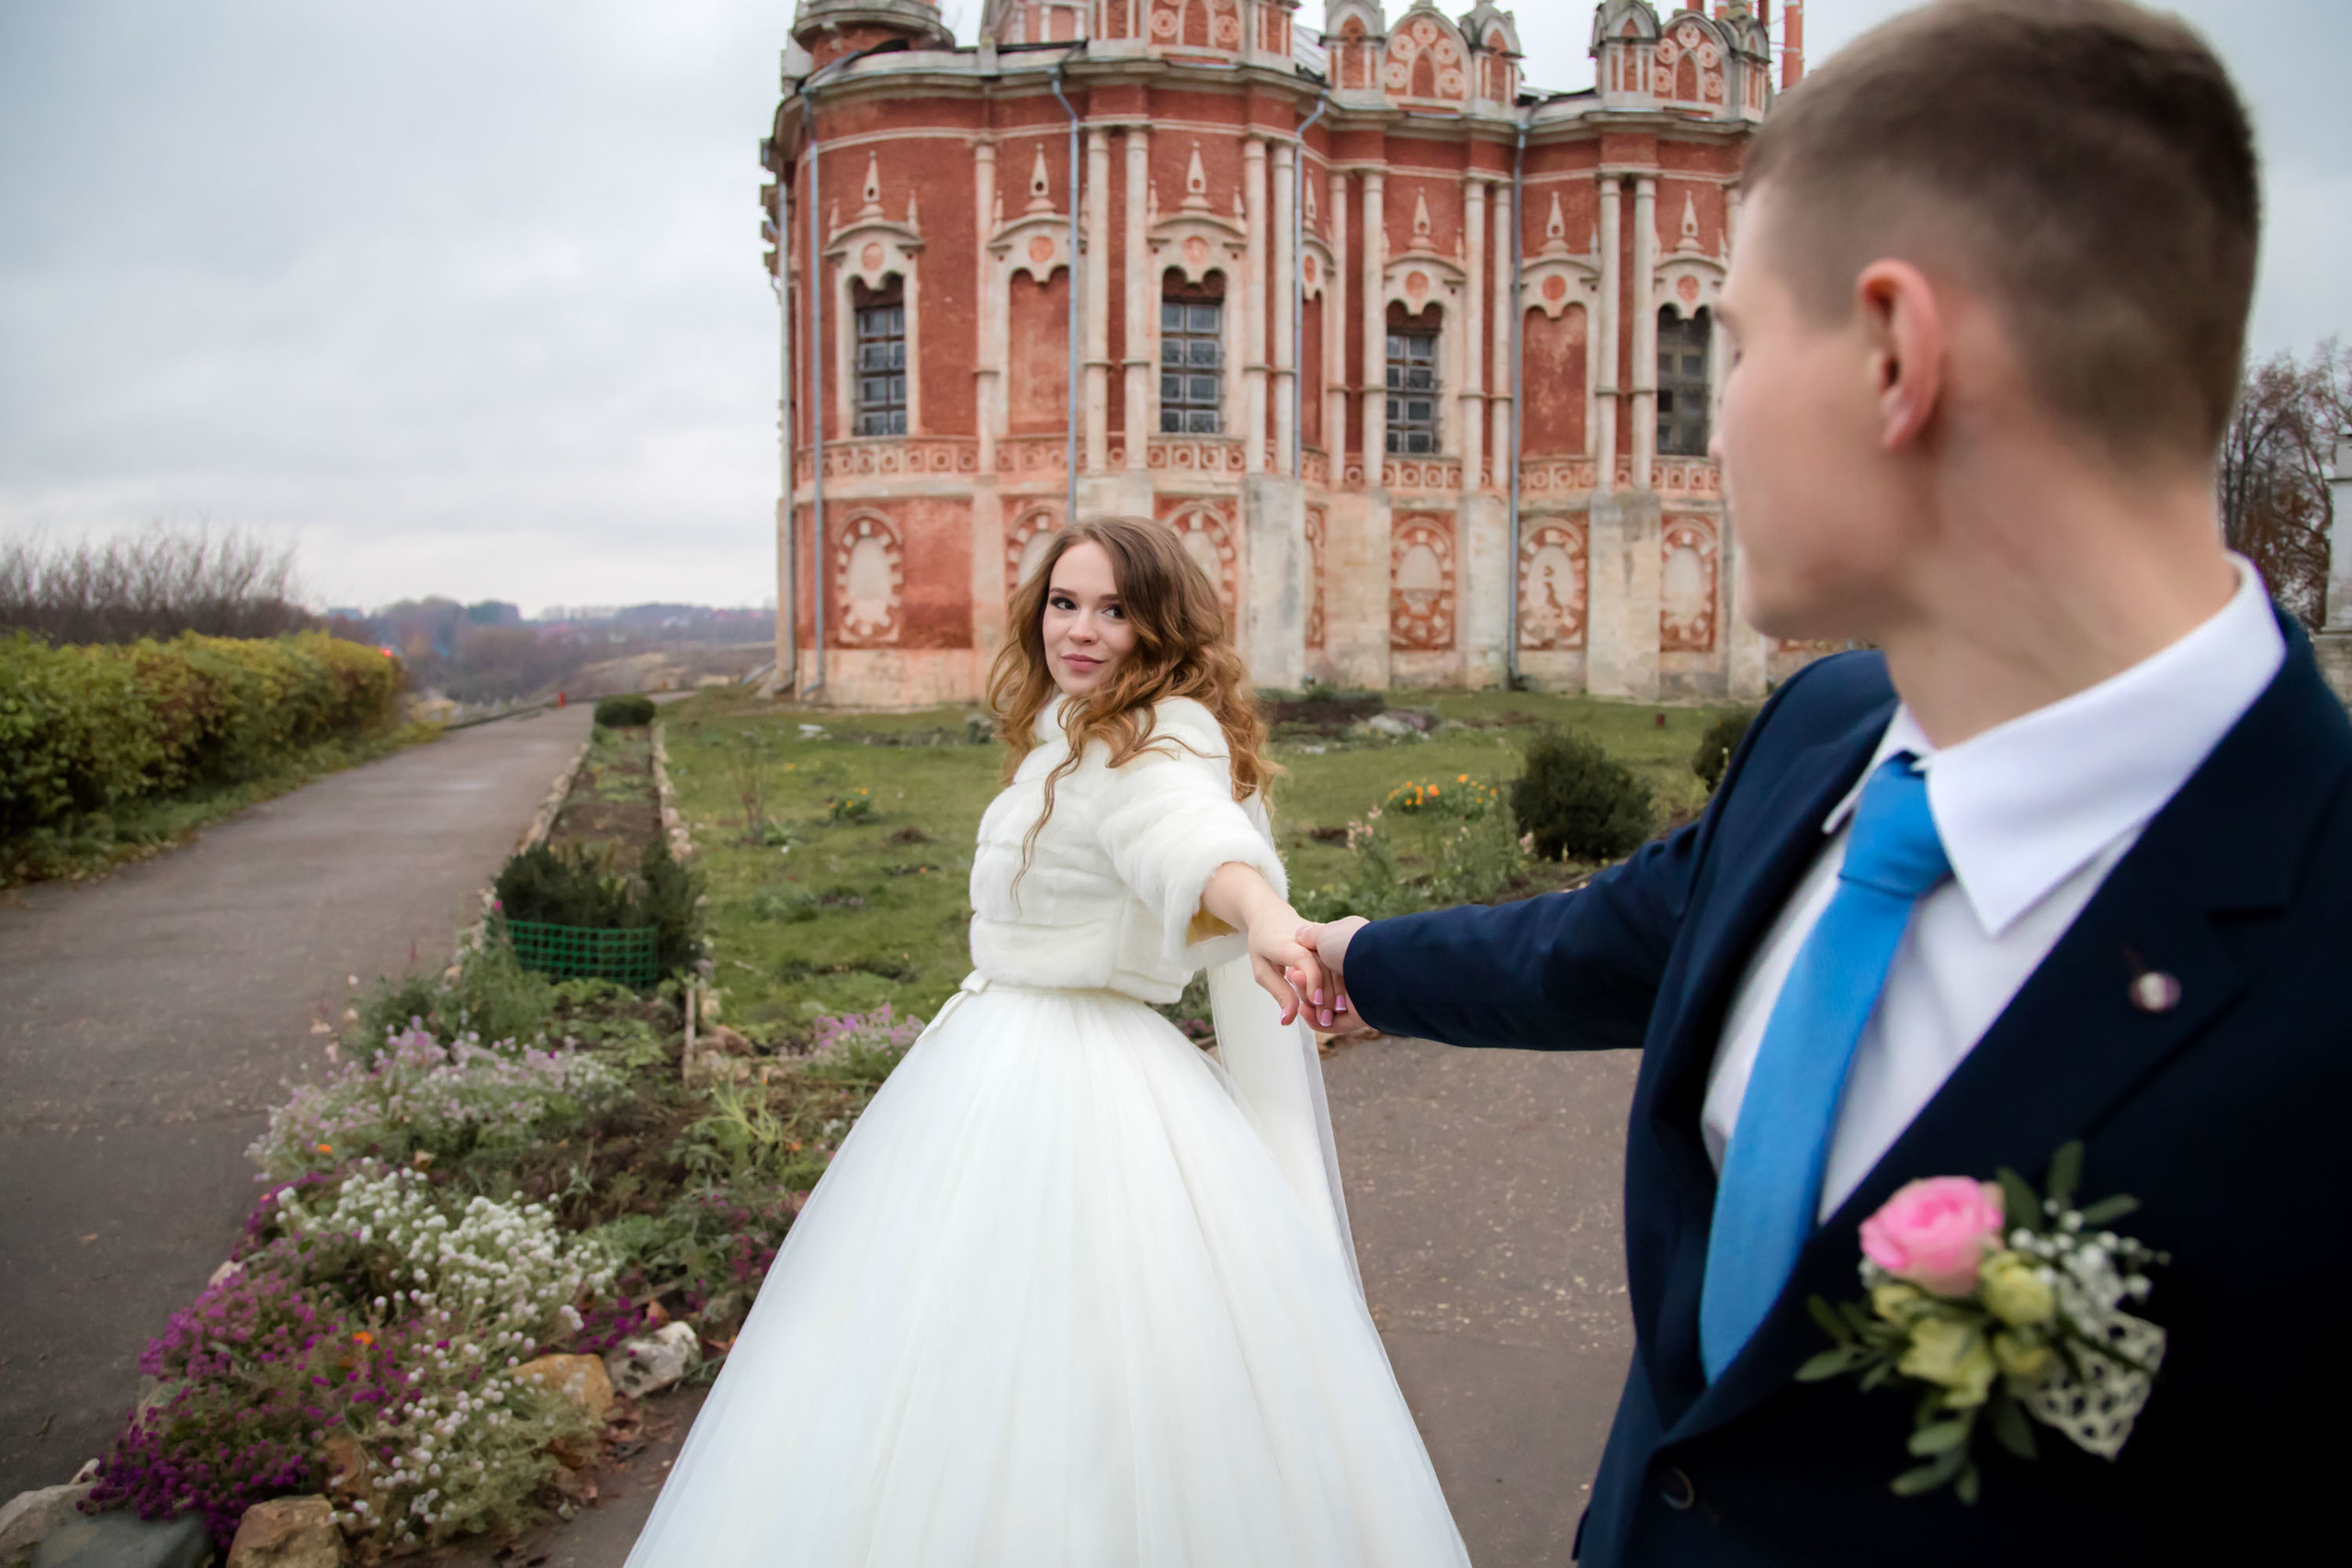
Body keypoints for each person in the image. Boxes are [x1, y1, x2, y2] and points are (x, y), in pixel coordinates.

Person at [1298, 1, 2346, 1562]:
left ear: (1893, 355)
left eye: (1721, 346)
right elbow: (1611, 943)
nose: (1705, 426)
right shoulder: (1829, 732)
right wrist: (1352, 958)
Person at [623, 517, 1470, 1567]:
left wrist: (1256, 913)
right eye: (1065, 603)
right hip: (992, 1058)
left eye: (1115, 609)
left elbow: (1188, 835)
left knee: (1073, 1376)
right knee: (949, 1361)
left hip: (1083, 1083)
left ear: (1158, 627)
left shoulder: (1155, 738)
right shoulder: (1065, 731)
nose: (1082, 629)